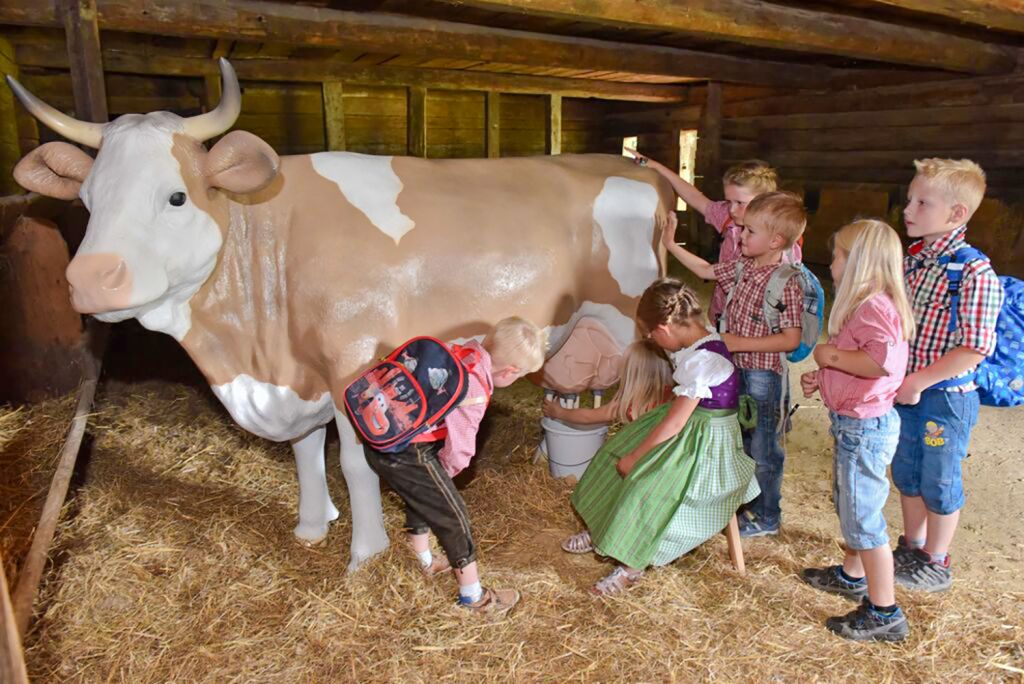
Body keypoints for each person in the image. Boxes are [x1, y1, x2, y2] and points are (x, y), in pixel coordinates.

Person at [564, 278, 759, 595]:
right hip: (686, 423)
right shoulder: (695, 341)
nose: (650, 340)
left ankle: (631, 567)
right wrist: (628, 452)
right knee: (610, 455)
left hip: (704, 440)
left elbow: (675, 423)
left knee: (647, 485)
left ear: (665, 328)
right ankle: (602, 532)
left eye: (650, 335)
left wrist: (636, 457)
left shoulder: (702, 361)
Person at [363, 316, 546, 614]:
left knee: (422, 494)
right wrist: (445, 475)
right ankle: (473, 597)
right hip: (408, 450)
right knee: (453, 514)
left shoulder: (462, 351)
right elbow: (461, 450)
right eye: (520, 376)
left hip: (383, 437)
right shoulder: (474, 389)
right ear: (511, 371)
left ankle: (422, 560)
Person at [661, 192, 807, 537]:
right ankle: (742, 506)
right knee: (739, 440)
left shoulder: (787, 281)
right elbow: (702, 269)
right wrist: (669, 242)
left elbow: (791, 339)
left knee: (764, 448)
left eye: (748, 231)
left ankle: (766, 515)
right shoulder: (743, 267)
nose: (740, 236)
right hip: (736, 371)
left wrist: (740, 343)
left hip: (762, 376)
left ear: (775, 241)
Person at [890, 158, 1003, 593]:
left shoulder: (973, 272)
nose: (908, 209)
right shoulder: (914, 261)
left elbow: (974, 348)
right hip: (907, 390)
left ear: (956, 214)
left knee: (939, 475)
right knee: (908, 470)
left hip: (944, 397)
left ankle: (937, 559)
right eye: (909, 200)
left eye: (922, 202)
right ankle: (913, 546)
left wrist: (919, 380)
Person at [799, 219, 915, 642]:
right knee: (850, 504)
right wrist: (824, 378)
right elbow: (862, 361)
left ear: (858, 262)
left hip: (863, 429)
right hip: (857, 423)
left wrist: (828, 357)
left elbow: (880, 363)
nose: (831, 262)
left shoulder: (873, 308)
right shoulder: (872, 305)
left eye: (838, 255)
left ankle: (885, 611)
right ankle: (852, 575)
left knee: (863, 520)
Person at [624, 149, 800, 326]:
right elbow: (694, 196)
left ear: (764, 201)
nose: (731, 209)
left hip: (755, 323)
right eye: (728, 201)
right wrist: (655, 165)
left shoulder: (777, 246)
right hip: (721, 312)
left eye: (740, 203)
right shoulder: (727, 217)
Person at [542, 339, 672, 429]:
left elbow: (588, 417)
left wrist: (559, 412)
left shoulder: (629, 405)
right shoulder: (672, 395)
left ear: (630, 375)